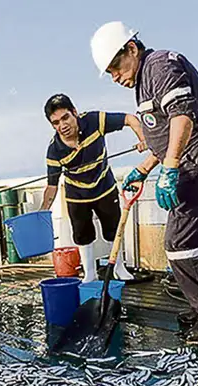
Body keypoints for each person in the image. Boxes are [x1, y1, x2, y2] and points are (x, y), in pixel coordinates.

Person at [92, 21, 198, 345]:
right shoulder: (143, 82)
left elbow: (183, 116)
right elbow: (162, 136)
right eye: (109, 72)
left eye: (116, 65)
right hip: (195, 154)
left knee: (180, 243)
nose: (115, 76)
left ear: (131, 48)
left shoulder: (158, 66)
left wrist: (169, 169)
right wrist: (144, 168)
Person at [39, 93, 146, 283]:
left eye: (65, 118)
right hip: (77, 195)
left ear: (75, 113)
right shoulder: (54, 150)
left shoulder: (95, 121)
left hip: (104, 187)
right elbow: (52, 186)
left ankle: (118, 268)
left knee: (114, 230)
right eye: (56, 123)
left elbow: (130, 119)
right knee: (82, 235)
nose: (62, 126)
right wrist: (41, 213)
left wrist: (143, 138)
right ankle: (90, 274)